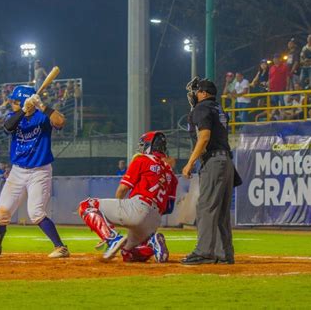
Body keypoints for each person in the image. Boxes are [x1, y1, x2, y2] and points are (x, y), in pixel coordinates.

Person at [0, 85, 69, 258]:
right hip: (18, 171)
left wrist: (42, 106)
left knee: (35, 213)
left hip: (39, 171)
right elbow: (7, 127)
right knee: (2, 212)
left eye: (16, 101)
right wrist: (23, 109)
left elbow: (60, 122)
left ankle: (61, 247)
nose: (12, 103)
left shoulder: (42, 117)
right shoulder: (14, 116)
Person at [78, 131, 177, 262]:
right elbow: (169, 208)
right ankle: (152, 245)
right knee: (127, 254)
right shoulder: (171, 174)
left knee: (86, 205)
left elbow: (122, 189)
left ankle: (111, 238)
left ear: (149, 145)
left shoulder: (142, 160)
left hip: (139, 207)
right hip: (155, 221)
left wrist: (116, 219)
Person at [182, 77, 236, 265]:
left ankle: (204, 252)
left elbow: (204, 137)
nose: (194, 95)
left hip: (214, 161)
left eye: (196, 91)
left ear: (204, 93)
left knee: (206, 207)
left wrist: (190, 163)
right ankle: (224, 254)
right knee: (221, 211)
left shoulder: (202, 108)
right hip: (226, 160)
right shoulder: (218, 108)